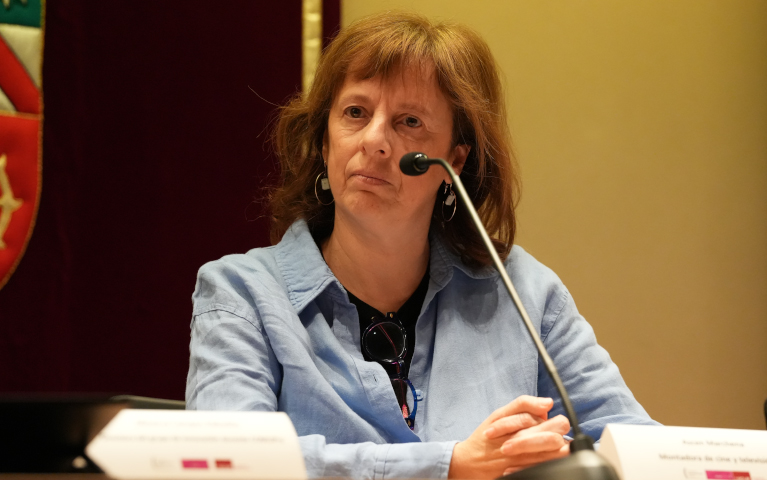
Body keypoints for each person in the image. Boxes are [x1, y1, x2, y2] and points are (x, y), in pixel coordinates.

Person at [186, 11, 658, 480]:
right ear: (325, 142)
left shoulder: (525, 293)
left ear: (455, 159)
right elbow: (223, 464)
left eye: (409, 121)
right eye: (355, 113)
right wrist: (450, 467)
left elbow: (638, 451)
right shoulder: (241, 294)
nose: (375, 141)